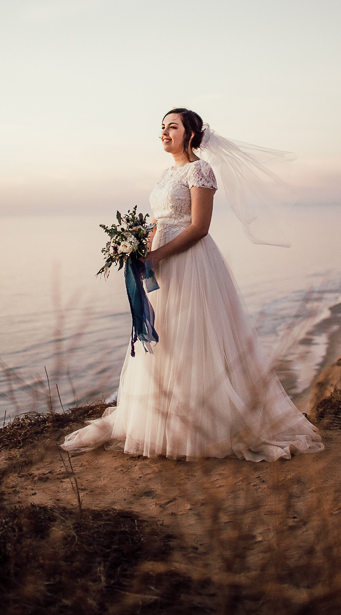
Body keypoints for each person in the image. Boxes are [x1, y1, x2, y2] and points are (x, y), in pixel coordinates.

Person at [61, 108, 323, 461]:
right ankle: (161, 420)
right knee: (165, 337)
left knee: (192, 337)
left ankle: (199, 427)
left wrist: (157, 255)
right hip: (162, 263)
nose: (164, 133)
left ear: (191, 134)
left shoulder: (201, 170)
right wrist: (137, 245)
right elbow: (160, 220)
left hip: (190, 263)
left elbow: (199, 227)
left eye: (173, 127)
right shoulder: (168, 173)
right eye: (162, 127)